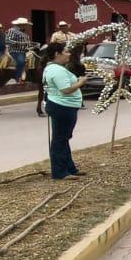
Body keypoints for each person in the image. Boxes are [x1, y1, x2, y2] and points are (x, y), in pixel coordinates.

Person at [42, 43, 89, 180]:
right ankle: (60, 172)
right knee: (60, 139)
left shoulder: (56, 68)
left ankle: (69, 168)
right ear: (57, 54)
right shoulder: (56, 70)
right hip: (62, 107)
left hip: (64, 106)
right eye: (66, 52)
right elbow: (66, 90)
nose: (69, 54)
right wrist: (81, 81)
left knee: (63, 138)